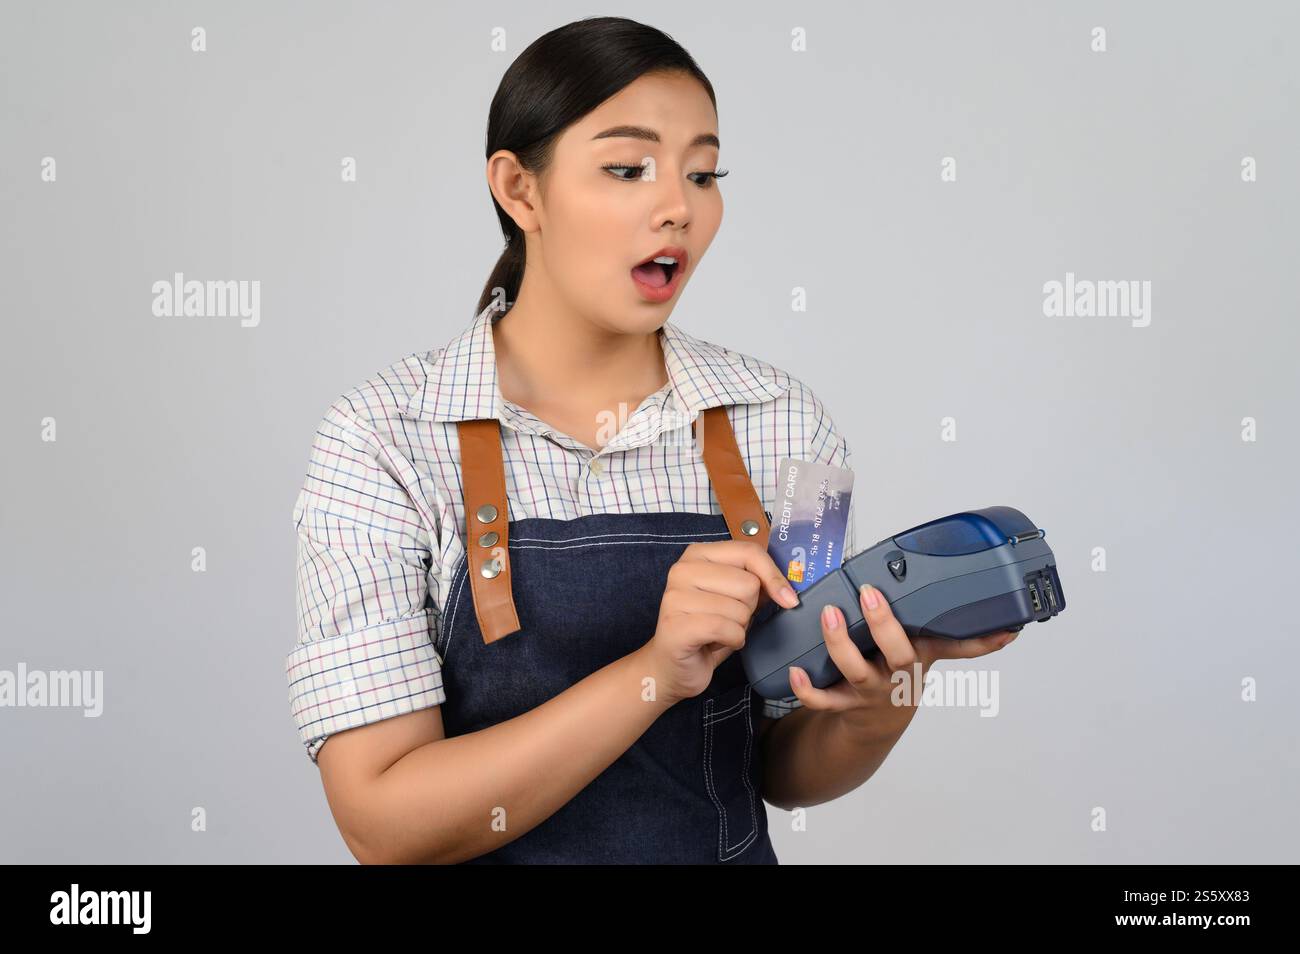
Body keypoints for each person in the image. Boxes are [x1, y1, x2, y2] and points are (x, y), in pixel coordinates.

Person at [285, 16, 1018, 865]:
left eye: (703, 173)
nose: (679, 207)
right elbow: (382, 823)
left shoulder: (790, 425)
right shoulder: (382, 440)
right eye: (627, 169)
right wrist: (652, 674)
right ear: (520, 191)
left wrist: (878, 706)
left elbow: (784, 767)